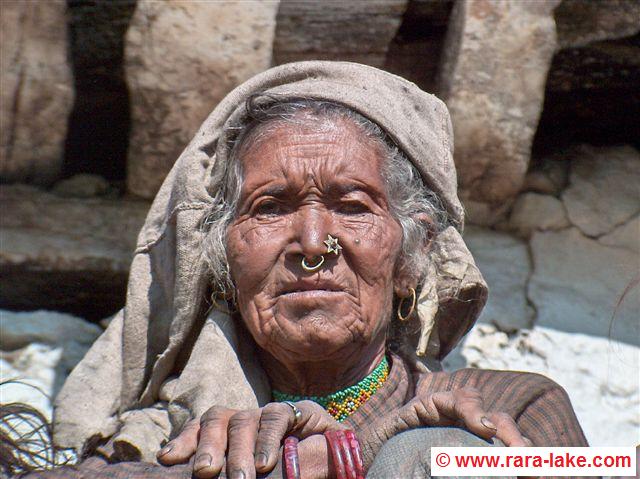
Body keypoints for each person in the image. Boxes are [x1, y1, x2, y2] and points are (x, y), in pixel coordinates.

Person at [40, 61, 587, 479]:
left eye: (352, 207)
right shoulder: (159, 442)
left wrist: (373, 449)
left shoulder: (511, 406)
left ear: (410, 259)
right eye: (270, 208)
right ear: (224, 263)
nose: (312, 245)